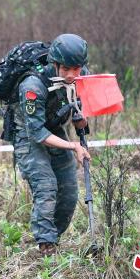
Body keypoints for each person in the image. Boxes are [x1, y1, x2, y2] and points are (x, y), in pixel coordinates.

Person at [12, 33, 91, 256]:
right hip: (28, 132)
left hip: (54, 127)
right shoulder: (32, 86)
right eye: (65, 69)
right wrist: (73, 146)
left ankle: (53, 238)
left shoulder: (80, 75)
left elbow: (79, 108)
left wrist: (81, 119)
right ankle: (45, 248)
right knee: (46, 186)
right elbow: (36, 131)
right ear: (54, 64)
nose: (71, 75)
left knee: (68, 192)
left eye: (76, 69)